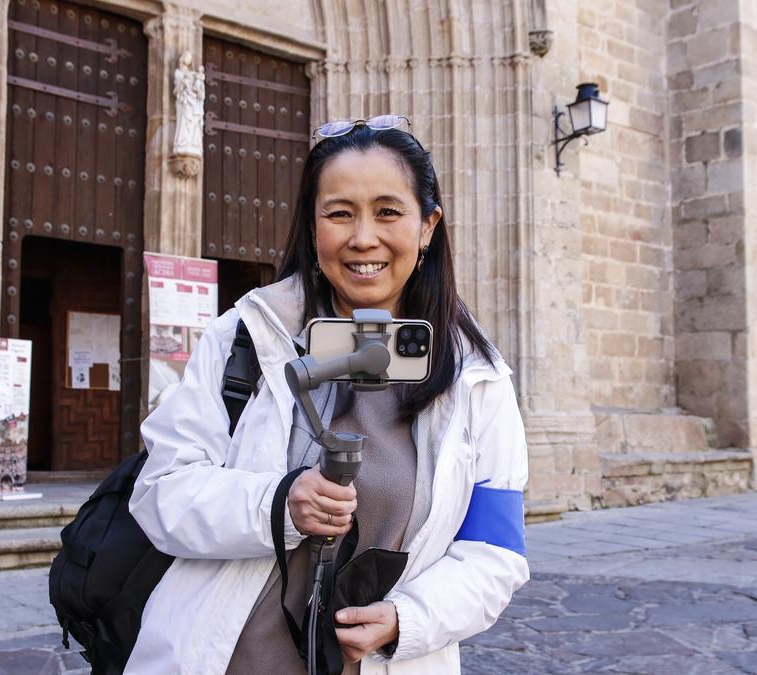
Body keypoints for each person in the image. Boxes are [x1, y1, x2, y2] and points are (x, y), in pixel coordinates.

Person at [126, 115, 529, 674]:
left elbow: (497, 552)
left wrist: (407, 620)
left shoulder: (477, 379)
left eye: (388, 212)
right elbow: (160, 492)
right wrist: (282, 502)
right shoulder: (245, 337)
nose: (364, 237)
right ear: (313, 230)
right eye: (339, 213)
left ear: (428, 226)